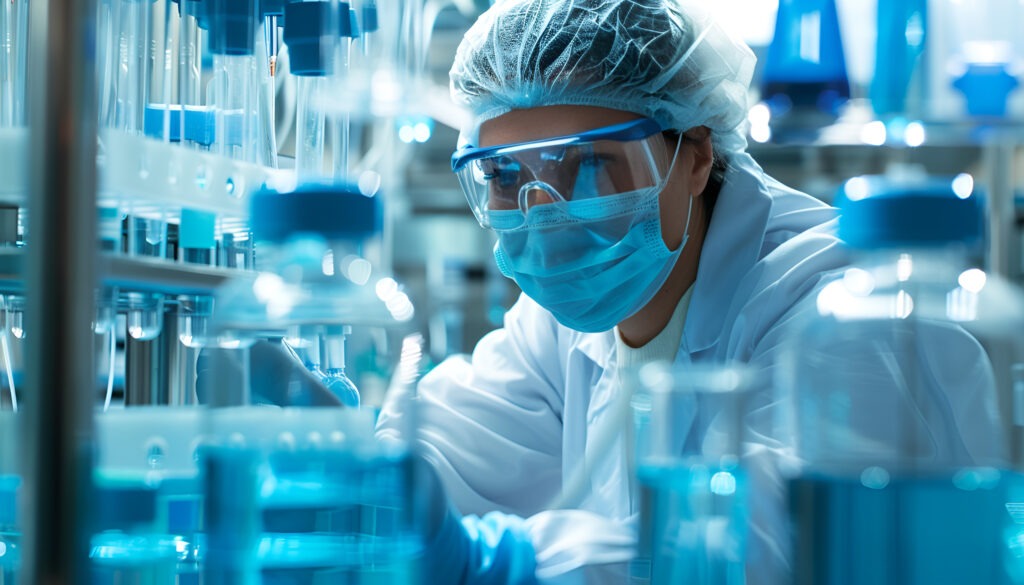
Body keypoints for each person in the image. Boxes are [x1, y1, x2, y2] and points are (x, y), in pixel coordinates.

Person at [375, 0, 1003, 582]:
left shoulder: (845, 312)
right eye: (506, 176)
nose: (547, 215)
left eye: (590, 164)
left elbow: (765, 548)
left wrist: (505, 559)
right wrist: (352, 468)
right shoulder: (560, 321)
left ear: (696, 155)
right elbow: (445, 449)